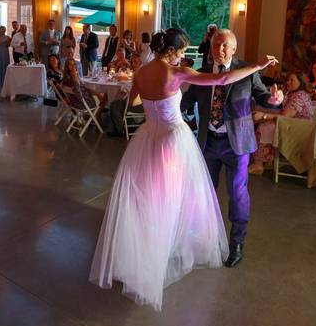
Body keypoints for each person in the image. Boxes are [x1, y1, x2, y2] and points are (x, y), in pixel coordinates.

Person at [90, 28, 277, 309]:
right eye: (181, 52)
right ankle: (170, 248)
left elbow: (134, 102)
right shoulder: (175, 73)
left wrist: (158, 100)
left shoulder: (141, 71)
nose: (182, 57)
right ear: (172, 51)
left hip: (148, 139)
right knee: (176, 196)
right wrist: (258, 65)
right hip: (172, 140)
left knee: (151, 198)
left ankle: (153, 249)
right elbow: (222, 78)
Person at [180, 28, 284, 268]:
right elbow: (186, 102)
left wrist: (275, 100)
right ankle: (206, 238)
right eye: (216, 45)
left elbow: (263, 96)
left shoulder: (246, 71)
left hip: (236, 144)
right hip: (207, 143)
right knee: (203, 193)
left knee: (237, 194)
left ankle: (237, 242)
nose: (220, 50)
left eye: (225, 45)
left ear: (234, 48)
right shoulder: (203, 73)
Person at [248, 72, 315, 174]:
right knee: (263, 121)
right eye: (288, 80)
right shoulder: (295, 94)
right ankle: (267, 159)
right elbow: (282, 111)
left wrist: (264, 116)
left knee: (265, 127)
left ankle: (259, 163)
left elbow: (284, 117)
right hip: (296, 127)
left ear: (300, 82)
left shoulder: (299, 96)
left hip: (299, 131)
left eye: (292, 80)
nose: (288, 82)